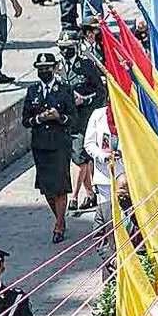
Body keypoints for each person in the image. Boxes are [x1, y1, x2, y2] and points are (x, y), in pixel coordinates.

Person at [22, 52, 78, 243]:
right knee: (47, 188)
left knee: (60, 186)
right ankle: (59, 217)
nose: (44, 71)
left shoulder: (64, 90)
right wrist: (40, 118)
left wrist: (58, 117)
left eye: (47, 68)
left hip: (59, 144)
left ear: (54, 68)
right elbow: (25, 120)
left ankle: (60, 224)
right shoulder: (33, 91)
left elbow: (73, 118)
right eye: (41, 69)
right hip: (41, 146)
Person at [57, 30, 106, 212]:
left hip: (84, 119)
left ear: (76, 47)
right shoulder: (57, 67)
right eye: (62, 49)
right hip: (65, 121)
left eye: (68, 48)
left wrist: (84, 99)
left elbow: (101, 92)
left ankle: (75, 197)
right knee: (80, 158)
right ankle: (91, 193)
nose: (65, 52)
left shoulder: (86, 66)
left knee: (79, 157)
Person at [84, 105, 123, 276]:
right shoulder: (98, 115)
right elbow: (89, 143)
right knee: (108, 221)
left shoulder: (130, 110)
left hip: (127, 178)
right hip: (105, 178)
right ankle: (112, 263)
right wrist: (102, 155)